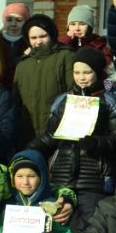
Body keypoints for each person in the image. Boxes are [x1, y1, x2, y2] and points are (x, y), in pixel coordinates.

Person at [27, 46, 116, 231]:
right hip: (62, 175)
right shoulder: (63, 100)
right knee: (61, 226)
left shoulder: (108, 101)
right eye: (77, 72)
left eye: (87, 72)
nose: (81, 77)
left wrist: (96, 143)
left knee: (92, 229)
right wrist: (31, 148)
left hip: (95, 178)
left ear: (97, 72)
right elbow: (51, 136)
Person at [11, 14, 74, 147]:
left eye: (42, 36)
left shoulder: (66, 57)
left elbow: (73, 92)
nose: (38, 42)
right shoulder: (23, 65)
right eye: (33, 38)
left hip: (58, 134)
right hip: (28, 134)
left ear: (51, 35)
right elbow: (16, 101)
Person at [61, 4, 113, 69]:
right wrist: (67, 39)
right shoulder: (66, 43)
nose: (77, 28)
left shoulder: (99, 46)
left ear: (89, 27)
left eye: (82, 24)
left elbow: (107, 70)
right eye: (73, 24)